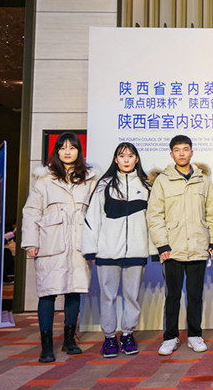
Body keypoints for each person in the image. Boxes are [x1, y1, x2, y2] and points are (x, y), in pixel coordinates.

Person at [21, 132, 99, 363]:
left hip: (78, 243)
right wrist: (31, 242)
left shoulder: (90, 178)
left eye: (72, 147)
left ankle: (69, 340)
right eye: (62, 147)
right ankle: (46, 345)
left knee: (74, 290)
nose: (67, 152)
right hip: (50, 242)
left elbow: (96, 213)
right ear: (56, 151)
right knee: (48, 293)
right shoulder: (44, 179)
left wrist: (95, 245)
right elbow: (31, 212)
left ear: (79, 151)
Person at [81, 142, 154, 358]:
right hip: (107, 252)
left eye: (130, 156)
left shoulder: (147, 186)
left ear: (136, 159)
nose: (126, 159)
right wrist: (91, 250)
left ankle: (128, 334)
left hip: (137, 251)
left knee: (132, 297)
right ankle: (110, 337)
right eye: (122, 156)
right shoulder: (104, 186)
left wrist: (154, 249)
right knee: (108, 297)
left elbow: (153, 220)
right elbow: (93, 218)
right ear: (116, 159)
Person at [147, 135, 213, 355]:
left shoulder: (203, 180)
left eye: (185, 149)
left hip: (198, 246)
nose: (182, 153)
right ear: (171, 154)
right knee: (173, 296)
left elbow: (211, 214)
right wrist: (162, 245)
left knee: (195, 295)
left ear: (191, 152)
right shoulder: (162, 181)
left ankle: (195, 335)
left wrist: (211, 242)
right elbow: (154, 215)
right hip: (172, 248)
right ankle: (170, 337)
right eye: (177, 150)